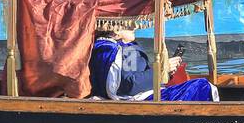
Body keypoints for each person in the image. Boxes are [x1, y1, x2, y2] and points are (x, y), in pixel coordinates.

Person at [88, 28, 218, 102]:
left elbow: (134, 76)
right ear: (116, 32)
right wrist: (161, 70)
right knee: (202, 86)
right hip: (140, 99)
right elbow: (130, 84)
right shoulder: (126, 50)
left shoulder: (104, 48)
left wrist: (165, 71)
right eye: (128, 25)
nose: (135, 27)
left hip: (138, 94)